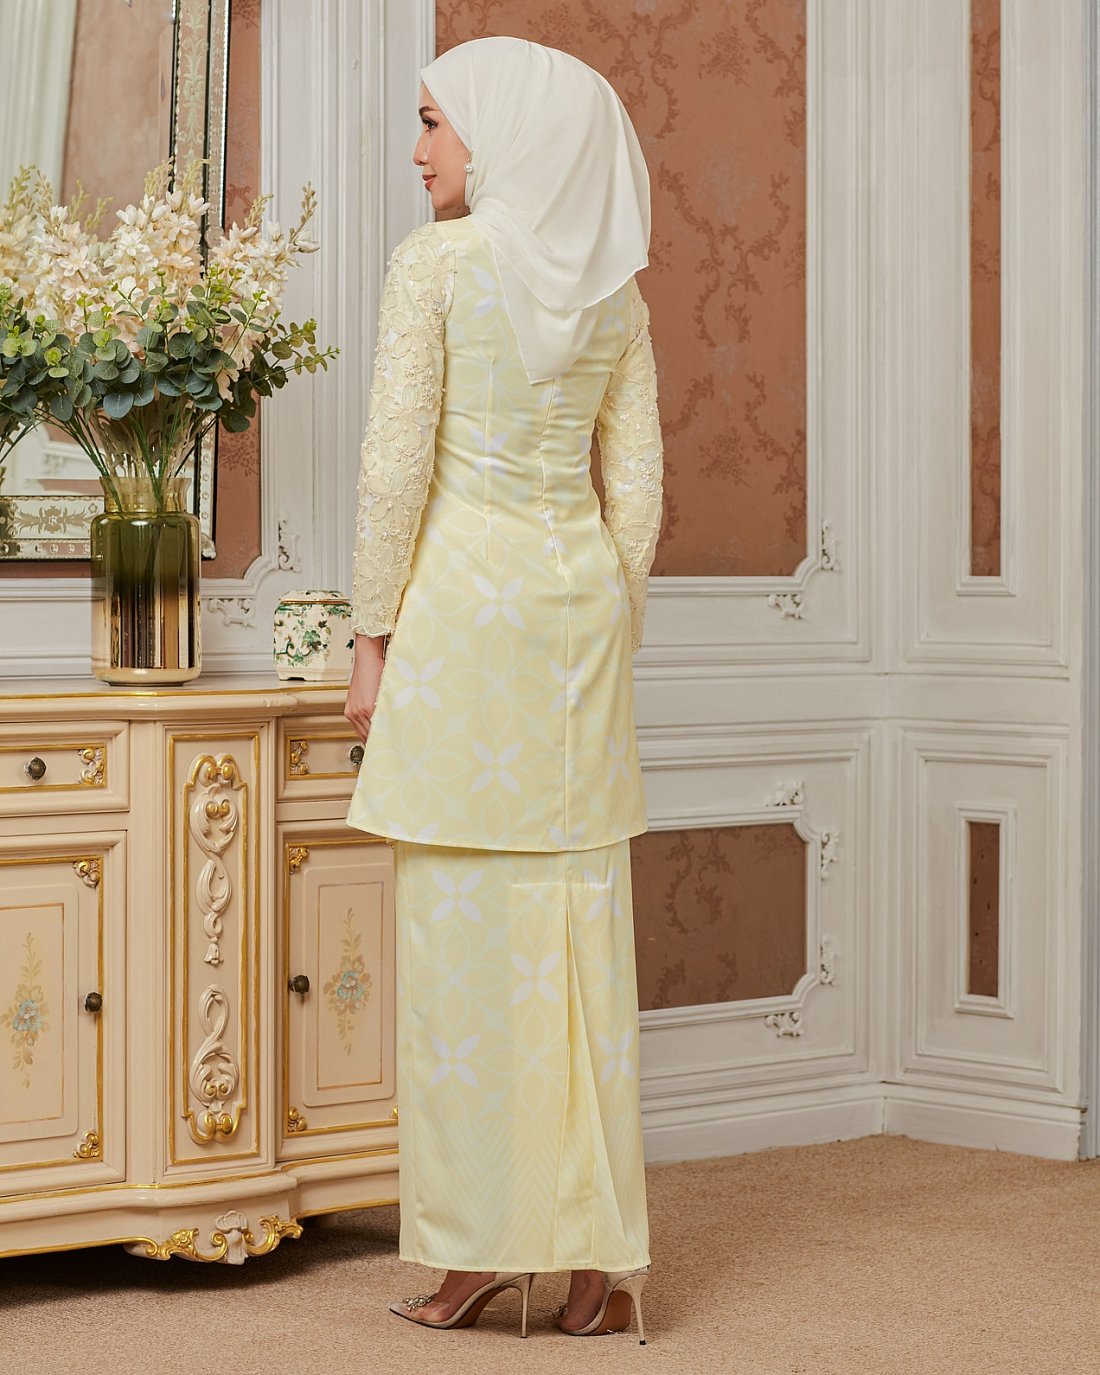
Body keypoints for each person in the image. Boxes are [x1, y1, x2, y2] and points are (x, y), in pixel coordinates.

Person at [344, 35, 663, 1343]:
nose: (417, 149)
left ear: (502, 134)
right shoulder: (614, 292)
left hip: (462, 626)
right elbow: (636, 492)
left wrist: (371, 637)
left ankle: (475, 1250)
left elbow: (393, 470)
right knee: (578, 946)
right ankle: (589, 1264)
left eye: (435, 122)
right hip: (575, 620)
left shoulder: (436, 267)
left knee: (462, 953)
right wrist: (603, 616)